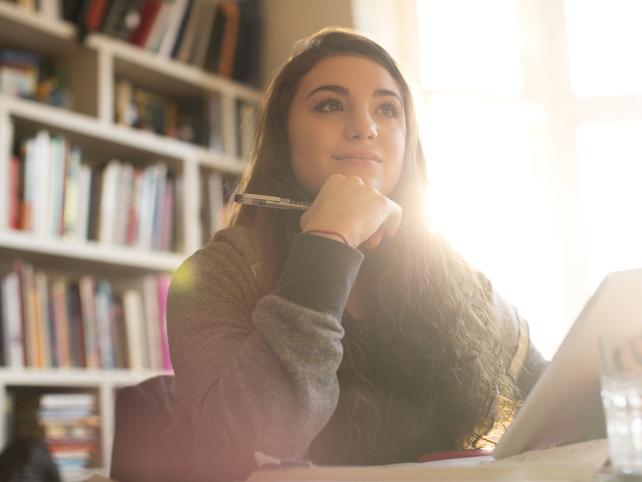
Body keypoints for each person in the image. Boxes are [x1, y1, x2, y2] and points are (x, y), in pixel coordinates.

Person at [167, 27, 547, 482]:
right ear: (283, 137)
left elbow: (553, 391)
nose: (365, 126)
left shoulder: (451, 272)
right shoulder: (217, 274)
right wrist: (329, 240)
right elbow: (257, 436)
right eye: (330, 104)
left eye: (388, 109)